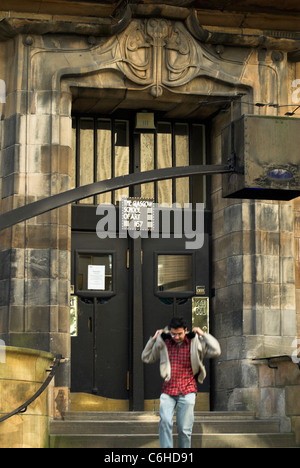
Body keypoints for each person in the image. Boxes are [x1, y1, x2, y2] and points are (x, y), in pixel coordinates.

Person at [141, 316, 221, 448]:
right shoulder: (164, 343)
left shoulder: (195, 343)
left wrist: (203, 334)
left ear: (185, 330)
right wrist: (153, 339)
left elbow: (216, 350)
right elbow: (146, 357)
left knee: (184, 429)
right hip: (168, 389)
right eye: (173, 334)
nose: (176, 337)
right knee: (165, 422)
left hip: (188, 389)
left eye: (179, 334)